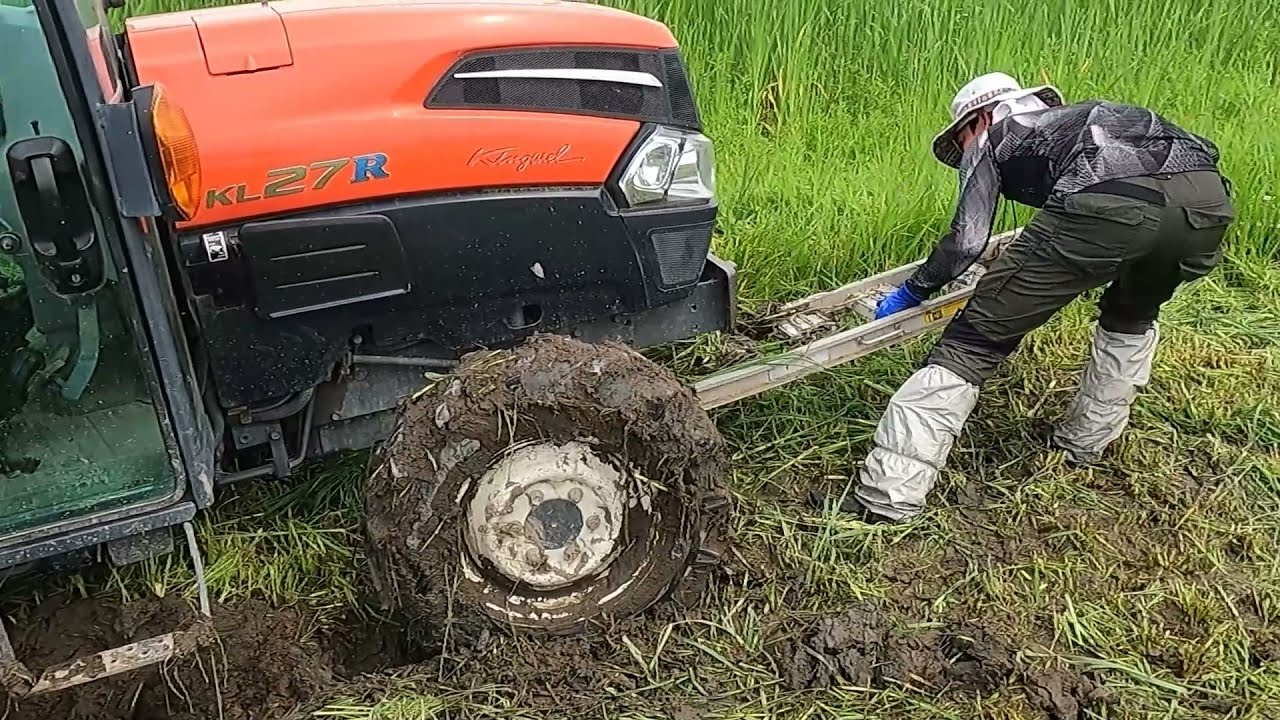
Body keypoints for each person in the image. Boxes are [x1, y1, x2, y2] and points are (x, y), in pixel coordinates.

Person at [812, 71, 1235, 524]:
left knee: (971, 344)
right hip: (1207, 206)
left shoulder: (991, 138)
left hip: (1109, 205)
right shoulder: (1085, 119)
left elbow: (966, 242)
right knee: (1131, 314)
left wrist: (912, 291)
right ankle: (1084, 444)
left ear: (974, 122)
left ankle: (886, 499)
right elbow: (1198, 155)